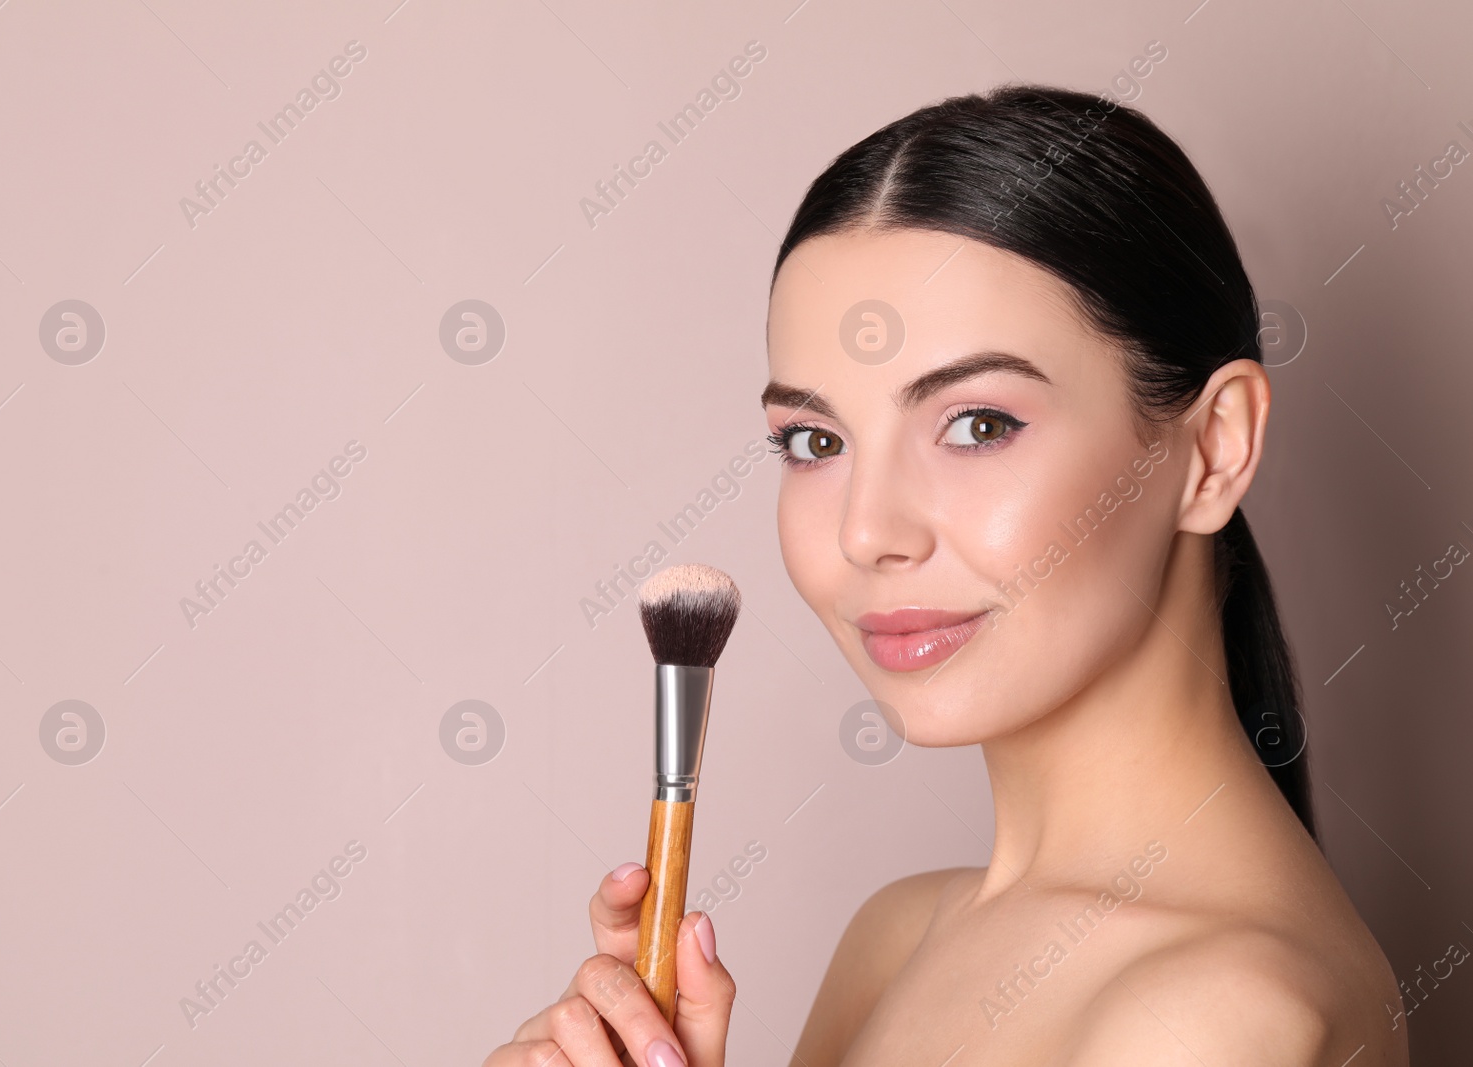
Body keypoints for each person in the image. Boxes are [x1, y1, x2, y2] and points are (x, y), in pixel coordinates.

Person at [484, 84, 1406, 1066]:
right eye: (814, 438)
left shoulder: (1215, 1018)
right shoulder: (898, 935)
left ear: (1213, 448)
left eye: (977, 424)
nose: (867, 529)